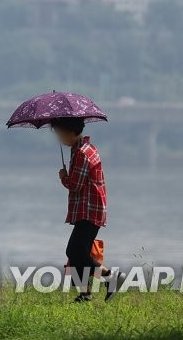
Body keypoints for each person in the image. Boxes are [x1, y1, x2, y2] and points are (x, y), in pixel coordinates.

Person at [52, 117, 125, 302]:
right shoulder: (81, 150)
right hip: (88, 209)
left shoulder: (82, 153)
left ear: (69, 133)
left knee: (75, 252)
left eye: (59, 133)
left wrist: (63, 177)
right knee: (78, 253)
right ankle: (85, 294)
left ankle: (110, 277)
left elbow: (75, 184)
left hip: (90, 210)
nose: (58, 137)